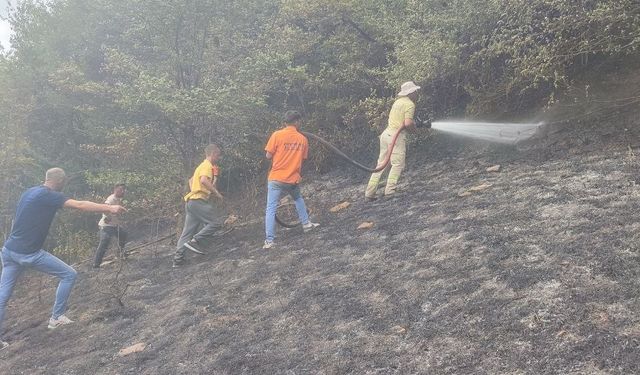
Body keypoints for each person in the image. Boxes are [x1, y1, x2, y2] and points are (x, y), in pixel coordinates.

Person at [0, 168, 126, 349]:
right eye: (65, 181)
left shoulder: (30, 191)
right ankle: (57, 317)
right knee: (69, 274)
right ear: (60, 181)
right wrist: (109, 207)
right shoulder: (49, 195)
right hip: (29, 253)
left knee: (3, 297)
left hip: (9, 250)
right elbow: (80, 205)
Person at [263, 110, 319, 249]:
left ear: (285, 122)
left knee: (271, 208)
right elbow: (303, 158)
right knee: (298, 199)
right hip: (292, 178)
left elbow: (268, 156)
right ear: (297, 122)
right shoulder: (302, 139)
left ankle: (269, 241)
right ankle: (306, 224)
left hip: (276, 178)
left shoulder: (276, 135)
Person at [365, 81, 421, 201]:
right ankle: (390, 191)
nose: (417, 93)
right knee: (398, 164)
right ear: (411, 92)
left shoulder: (398, 102)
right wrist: (415, 131)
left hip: (386, 135)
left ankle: (369, 194)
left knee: (381, 165)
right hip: (396, 136)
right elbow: (407, 123)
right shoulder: (410, 104)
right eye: (415, 91)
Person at [173, 144, 225, 267]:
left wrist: (215, 176)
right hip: (199, 202)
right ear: (212, 154)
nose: (218, 157)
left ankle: (178, 260)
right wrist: (216, 193)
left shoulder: (201, 166)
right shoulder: (207, 165)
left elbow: (192, 180)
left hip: (191, 202)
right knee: (215, 223)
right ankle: (196, 241)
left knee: (186, 232)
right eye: (218, 155)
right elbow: (203, 181)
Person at [93, 183, 128, 268]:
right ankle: (96, 264)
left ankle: (120, 254)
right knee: (104, 242)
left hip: (114, 225)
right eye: (120, 190)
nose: (122, 191)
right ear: (115, 190)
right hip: (106, 226)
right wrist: (108, 215)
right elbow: (106, 206)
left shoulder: (119, 199)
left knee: (123, 235)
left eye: (123, 190)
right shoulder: (111, 198)